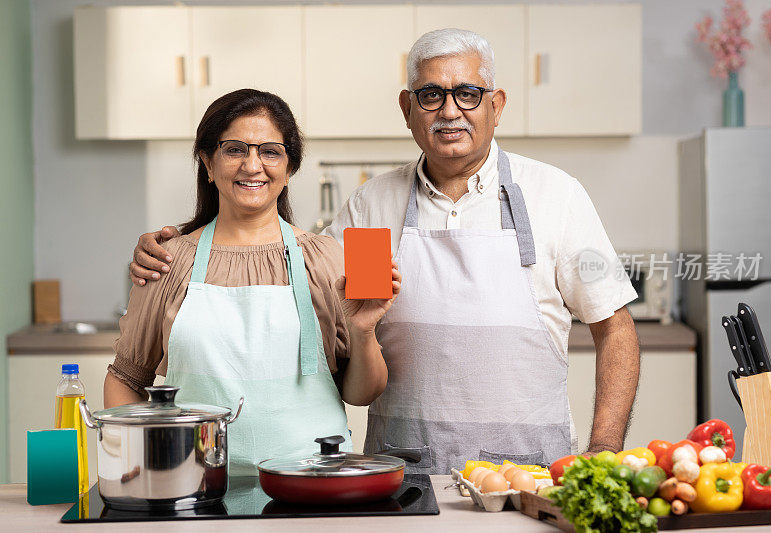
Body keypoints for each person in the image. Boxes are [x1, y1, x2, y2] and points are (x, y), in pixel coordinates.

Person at [129, 29, 640, 473]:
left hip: (532, 471)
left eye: (467, 93)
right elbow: (275, 264)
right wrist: (182, 243)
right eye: (431, 95)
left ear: (497, 104)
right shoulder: (370, 204)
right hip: (402, 471)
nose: (449, 111)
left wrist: (603, 447)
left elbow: (615, 328)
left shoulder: (558, 195)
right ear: (407, 108)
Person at [106, 89, 400, 475]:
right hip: (196, 487)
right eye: (234, 150)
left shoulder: (329, 260)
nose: (252, 165)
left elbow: (362, 393)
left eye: (270, 151)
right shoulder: (167, 261)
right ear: (208, 164)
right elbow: (125, 379)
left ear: (290, 168)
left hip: (313, 488)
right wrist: (146, 470)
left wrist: (363, 332)